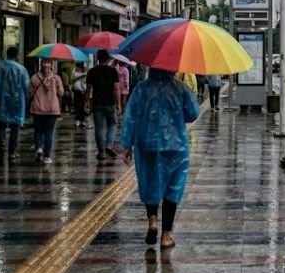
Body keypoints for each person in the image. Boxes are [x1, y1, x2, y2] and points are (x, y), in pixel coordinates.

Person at [121, 69, 200, 249]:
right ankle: (166, 237)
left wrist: (127, 144)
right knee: (173, 189)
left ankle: (152, 221)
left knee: (150, 183)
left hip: (147, 144)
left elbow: (130, 117)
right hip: (176, 146)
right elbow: (193, 113)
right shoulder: (181, 89)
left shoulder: (141, 89)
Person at [0, 47, 30, 160]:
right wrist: (28, 101)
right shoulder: (21, 69)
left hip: (1, 101)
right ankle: (12, 151)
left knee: (1, 126)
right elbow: (26, 87)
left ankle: (1, 147)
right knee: (15, 128)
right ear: (17, 55)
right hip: (17, 102)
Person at [85, 50, 122, 160]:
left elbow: (88, 89)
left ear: (97, 59)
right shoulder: (113, 71)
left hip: (96, 103)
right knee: (112, 124)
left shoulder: (92, 71)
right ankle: (109, 145)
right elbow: (116, 89)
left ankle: (101, 152)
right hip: (109, 102)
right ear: (108, 59)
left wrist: (86, 102)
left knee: (99, 127)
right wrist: (118, 104)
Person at [29, 59, 63, 165]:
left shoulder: (34, 78)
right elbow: (61, 93)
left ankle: (39, 148)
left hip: (38, 109)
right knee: (49, 133)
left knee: (38, 131)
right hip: (52, 110)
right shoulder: (56, 78)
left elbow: (30, 93)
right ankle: (47, 156)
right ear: (52, 65)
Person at [72, 62, 88, 129]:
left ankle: (82, 120)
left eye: (78, 67)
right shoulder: (75, 73)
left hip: (82, 92)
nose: (77, 68)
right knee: (77, 106)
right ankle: (78, 119)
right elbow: (73, 79)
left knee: (81, 106)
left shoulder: (84, 74)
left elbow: (84, 83)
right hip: (76, 91)